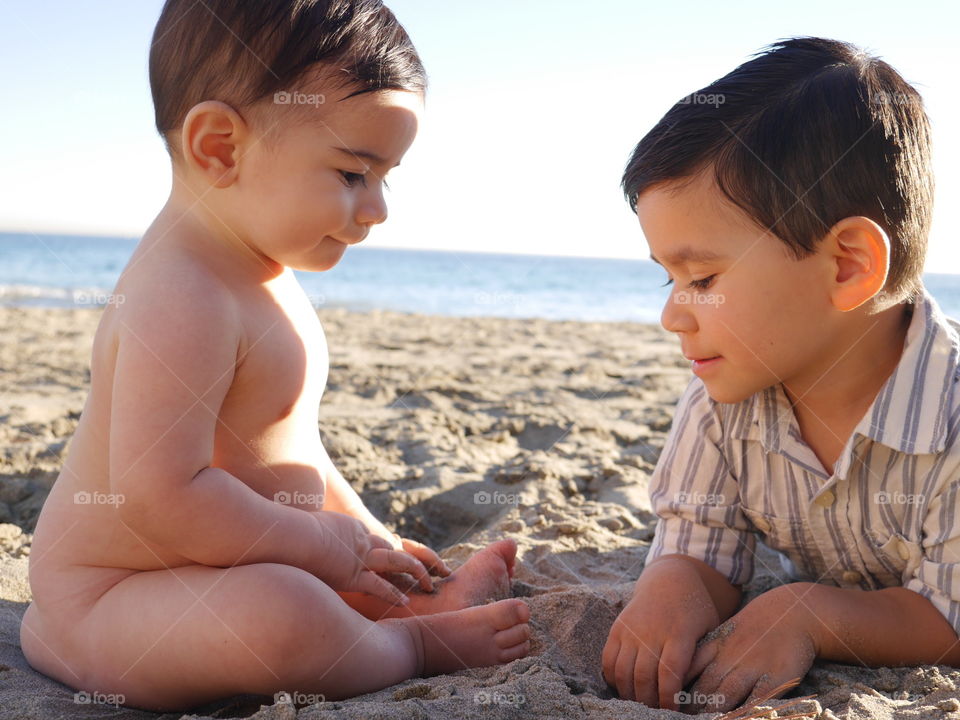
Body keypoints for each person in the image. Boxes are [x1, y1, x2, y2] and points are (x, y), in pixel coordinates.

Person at [20, 0, 529, 712]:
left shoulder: (263, 274)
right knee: (282, 609)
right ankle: (416, 645)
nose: (378, 207)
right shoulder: (179, 295)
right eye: (353, 174)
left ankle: (412, 610)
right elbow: (162, 497)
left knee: (318, 570)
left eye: (387, 176)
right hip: (111, 605)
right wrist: (326, 548)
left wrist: (368, 542)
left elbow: (295, 454)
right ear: (220, 147)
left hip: (204, 569)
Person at [602, 36, 960, 714]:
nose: (673, 315)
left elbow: (951, 617)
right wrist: (673, 587)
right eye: (668, 278)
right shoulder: (724, 399)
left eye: (702, 277)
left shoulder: (951, 422)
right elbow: (702, 545)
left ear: (847, 265)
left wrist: (805, 612)